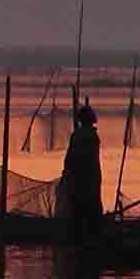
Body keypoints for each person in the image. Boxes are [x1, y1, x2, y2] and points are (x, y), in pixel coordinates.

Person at [57, 103, 104, 242]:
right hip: (91, 177)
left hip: (81, 178)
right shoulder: (92, 135)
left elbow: (70, 157)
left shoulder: (78, 135)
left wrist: (67, 172)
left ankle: (81, 237)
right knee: (91, 208)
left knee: (79, 209)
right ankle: (92, 235)